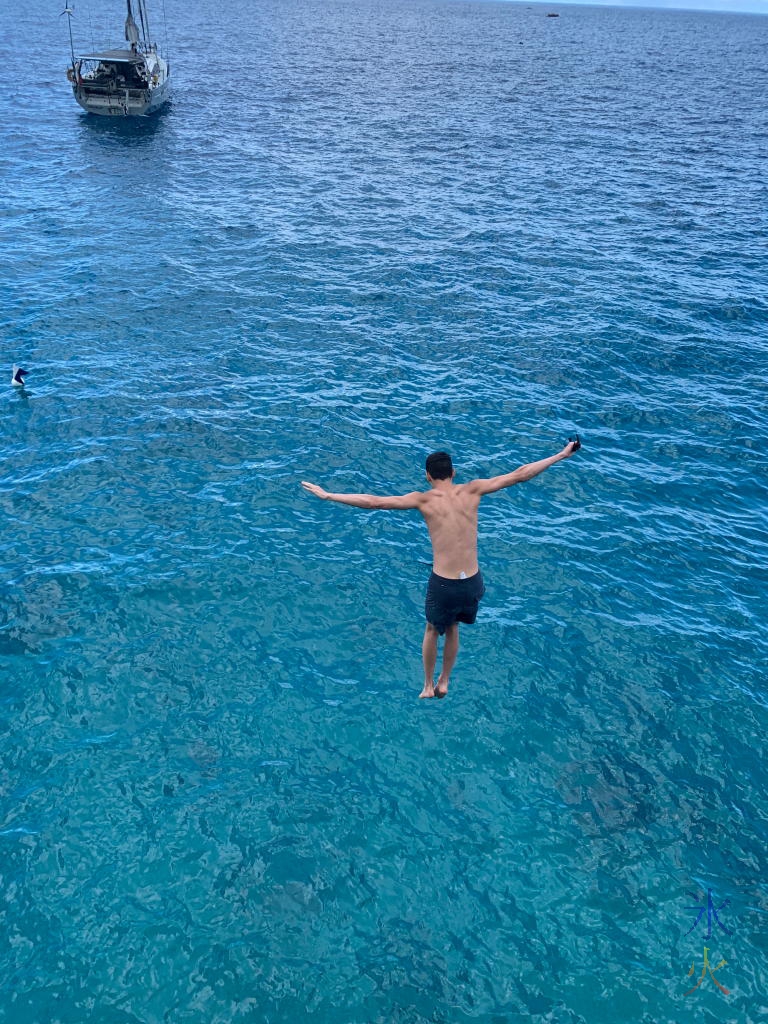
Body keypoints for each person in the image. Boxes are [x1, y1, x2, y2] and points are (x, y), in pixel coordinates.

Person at [301, 439, 580, 699]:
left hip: (444, 584)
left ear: (428, 476)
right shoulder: (474, 489)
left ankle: (427, 684)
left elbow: (374, 502)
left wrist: (329, 496)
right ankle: (445, 680)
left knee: (433, 630)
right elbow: (520, 473)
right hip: (472, 581)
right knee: (454, 626)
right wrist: (561, 454)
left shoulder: (424, 500)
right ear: (454, 472)